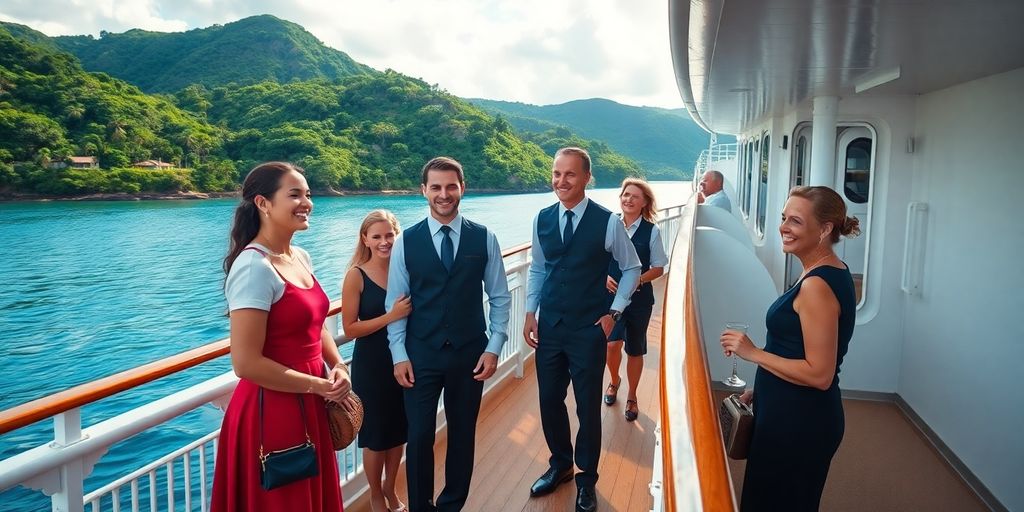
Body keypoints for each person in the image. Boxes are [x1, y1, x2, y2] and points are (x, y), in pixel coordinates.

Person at [213, 161, 354, 512]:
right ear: (263, 203)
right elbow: (245, 363)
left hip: (309, 396)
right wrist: (319, 385)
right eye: (294, 195)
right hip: (273, 408)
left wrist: (337, 365)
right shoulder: (253, 267)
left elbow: (315, 324)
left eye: (307, 194)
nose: (306, 202)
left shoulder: (299, 257)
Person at [720, 186, 860, 511]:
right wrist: (763, 387)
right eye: (784, 218)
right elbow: (797, 349)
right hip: (786, 408)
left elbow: (821, 374)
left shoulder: (816, 286)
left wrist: (753, 353)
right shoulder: (821, 271)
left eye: (795, 221)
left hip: (800, 423)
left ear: (824, 230)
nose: (783, 227)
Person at [386, 157, 511, 512]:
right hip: (420, 355)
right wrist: (399, 354)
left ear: (462, 188)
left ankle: (452, 504)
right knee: (420, 435)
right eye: (436, 187)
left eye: (450, 186)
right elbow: (395, 302)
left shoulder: (484, 237)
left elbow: (500, 297)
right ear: (424, 190)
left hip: (470, 354)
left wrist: (494, 347)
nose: (444, 194)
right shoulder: (405, 242)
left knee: (462, 434)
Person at [523, 147, 641, 512]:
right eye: (557, 174)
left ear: (587, 177)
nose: (561, 181)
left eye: (570, 175)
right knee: (548, 400)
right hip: (550, 328)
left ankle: (586, 479)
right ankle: (560, 465)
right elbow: (538, 269)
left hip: (589, 329)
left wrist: (614, 313)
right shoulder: (542, 218)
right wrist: (530, 311)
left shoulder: (607, 221)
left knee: (588, 408)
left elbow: (632, 268)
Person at [341, 210, 413, 512]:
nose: (384, 241)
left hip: (404, 359)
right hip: (371, 364)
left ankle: (390, 487)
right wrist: (390, 316)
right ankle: (374, 494)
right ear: (365, 239)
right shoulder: (356, 275)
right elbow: (350, 328)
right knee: (375, 437)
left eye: (389, 235)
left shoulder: (405, 270)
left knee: (398, 431)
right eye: (377, 236)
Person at [602, 178, 668, 422]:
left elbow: (659, 267)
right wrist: (604, 277)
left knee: (635, 349)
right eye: (625, 194)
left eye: (634, 196)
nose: (628, 199)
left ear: (644, 203)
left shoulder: (652, 231)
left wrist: (637, 279)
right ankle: (614, 380)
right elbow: (597, 261)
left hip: (640, 301)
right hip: (611, 299)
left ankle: (631, 395)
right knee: (611, 344)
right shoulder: (609, 226)